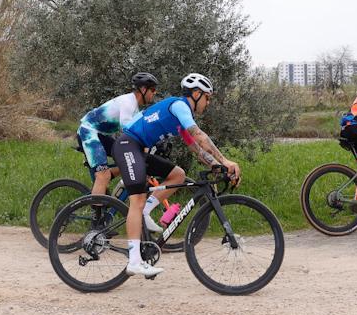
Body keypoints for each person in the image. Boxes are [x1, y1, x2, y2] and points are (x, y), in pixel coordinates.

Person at [112, 73, 240, 278]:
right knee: (136, 200)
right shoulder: (180, 106)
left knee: (178, 175)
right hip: (128, 145)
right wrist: (225, 160)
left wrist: (217, 166)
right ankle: (134, 261)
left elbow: (196, 148)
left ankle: (146, 210)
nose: (208, 103)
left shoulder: (179, 119)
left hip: (139, 149)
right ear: (196, 94)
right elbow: (199, 134)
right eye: (208, 98)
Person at [76, 73, 158, 198]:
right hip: (89, 133)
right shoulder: (128, 102)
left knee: (130, 160)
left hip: (100, 135)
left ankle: (107, 181)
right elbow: (128, 129)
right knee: (103, 175)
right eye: (152, 90)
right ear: (143, 89)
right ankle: (97, 214)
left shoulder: (135, 106)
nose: (155, 93)